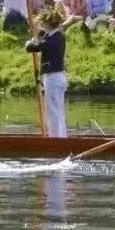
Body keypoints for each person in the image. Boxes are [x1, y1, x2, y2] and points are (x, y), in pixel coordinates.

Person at [25, 8, 67, 138]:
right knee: (58, 110)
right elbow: (43, 36)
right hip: (58, 77)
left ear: (48, 24)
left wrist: (33, 38)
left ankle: (55, 139)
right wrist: (36, 33)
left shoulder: (52, 40)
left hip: (53, 78)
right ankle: (61, 137)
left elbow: (30, 47)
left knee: (53, 111)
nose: (42, 26)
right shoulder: (57, 35)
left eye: (43, 23)